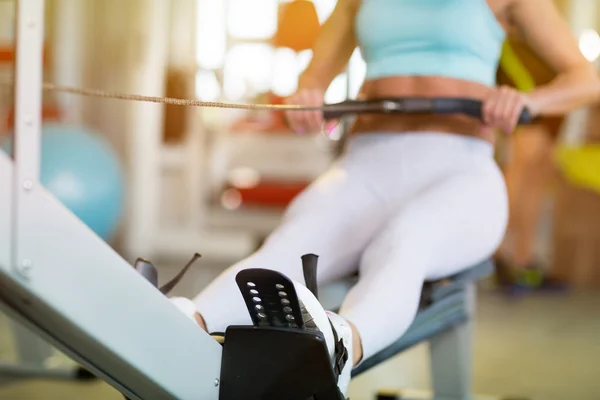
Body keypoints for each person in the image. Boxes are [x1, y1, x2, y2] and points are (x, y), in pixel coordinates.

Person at [171, 0, 599, 395]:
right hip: (367, 164)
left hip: (460, 168)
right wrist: (307, 100)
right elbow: (314, 79)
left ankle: (339, 350)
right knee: (293, 241)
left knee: (405, 240)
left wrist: (529, 100)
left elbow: (587, 79)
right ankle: (182, 323)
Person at [495, 36, 568, 293]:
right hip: (529, 114)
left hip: (550, 116)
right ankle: (502, 254)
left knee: (534, 188)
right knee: (520, 182)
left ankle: (522, 260)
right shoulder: (510, 40)